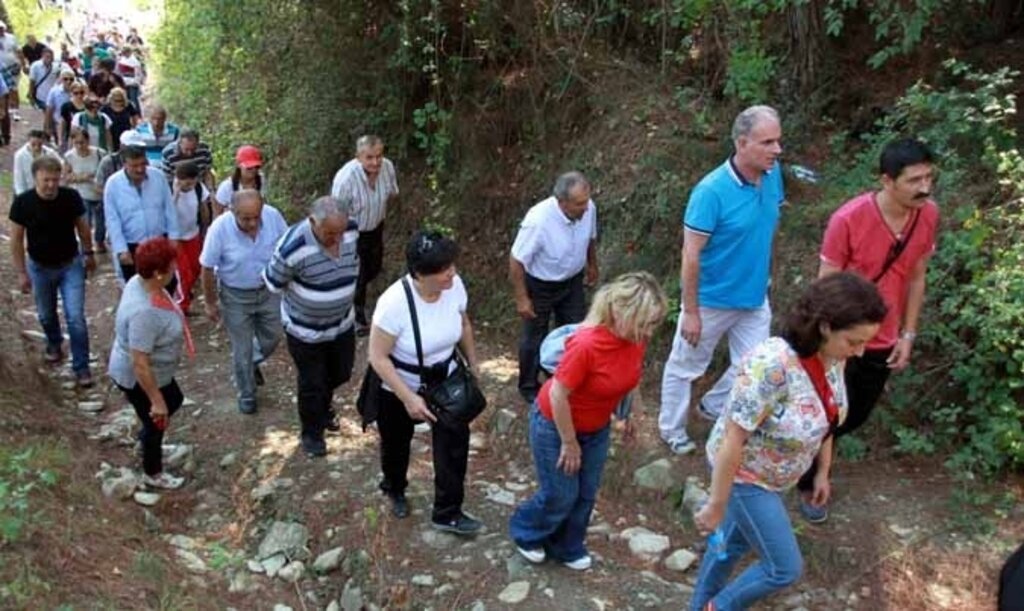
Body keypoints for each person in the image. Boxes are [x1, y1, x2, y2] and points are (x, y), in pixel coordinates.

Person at [690, 273, 887, 611]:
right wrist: (716, 503)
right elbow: (733, 439)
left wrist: (822, 472)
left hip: (776, 477)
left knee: (727, 549)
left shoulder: (834, 360)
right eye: (854, 341)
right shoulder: (772, 364)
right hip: (745, 477)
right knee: (784, 568)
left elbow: (827, 417)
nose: (860, 352)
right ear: (825, 326)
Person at [795, 138, 940, 522]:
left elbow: (917, 277)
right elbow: (825, 287)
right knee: (825, 410)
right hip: (841, 339)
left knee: (852, 415)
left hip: (885, 339)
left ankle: (805, 461)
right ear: (887, 180)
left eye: (929, 177)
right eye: (914, 180)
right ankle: (811, 482)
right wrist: (826, 343)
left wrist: (908, 334)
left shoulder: (927, 216)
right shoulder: (849, 218)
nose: (924, 187)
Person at [509, 272, 667, 570]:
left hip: (595, 427)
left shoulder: (635, 339)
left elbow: (632, 377)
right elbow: (558, 394)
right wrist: (569, 443)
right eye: (646, 322)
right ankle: (526, 530)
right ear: (622, 313)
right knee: (560, 493)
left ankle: (568, 544)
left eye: (654, 323)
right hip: (554, 424)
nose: (650, 331)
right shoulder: (586, 344)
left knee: (585, 492)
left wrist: (632, 412)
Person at [658, 105, 785, 456]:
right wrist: (691, 311)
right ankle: (672, 429)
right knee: (685, 367)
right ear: (742, 143)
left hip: (754, 297)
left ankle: (712, 407)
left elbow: (768, 226)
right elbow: (691, 255)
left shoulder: (774, 175)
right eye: (768, 142)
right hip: (711, 300)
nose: (777, 150)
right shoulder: (710, 192)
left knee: (755, 369)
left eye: (779, 141)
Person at [366, 230, 483, 533]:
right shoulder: (393, 303)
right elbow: (377, 357)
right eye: (443, 270)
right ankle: (394, 488)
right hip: (399, 383)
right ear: (419, 274)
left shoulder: (454, 287)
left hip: (445, 379)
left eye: (452, 266)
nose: (452, 274)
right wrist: (408, 397)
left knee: (454, 444)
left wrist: (472, 363)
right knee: (395, 443)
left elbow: (464, 323)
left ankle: (448, 511)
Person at [264, 195, 360, 456]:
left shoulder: (351, 229)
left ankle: (323, 405)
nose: (338, 239)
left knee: (342, 372)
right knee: (311, 383)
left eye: (341, 232)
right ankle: (312, 435)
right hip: (305, 331)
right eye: (330, 233)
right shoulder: (291, 248)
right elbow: (273, 282)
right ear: (312, 222)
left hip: (342, 324)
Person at [108, 237, 191, 490]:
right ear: (158, 273)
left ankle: (149, 440)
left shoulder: (139, 282)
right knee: (158, 418)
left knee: (173, 399)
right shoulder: (144, 313)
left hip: (157, 371)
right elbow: (140, 362)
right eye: (171, 265)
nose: (175, 268)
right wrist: (156, 400)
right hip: (139, 376)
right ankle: (152, 471)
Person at [509, 171, 599, 404]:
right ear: (562, 202)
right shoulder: (538, 220)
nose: (586, 208)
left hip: (572, 282)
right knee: (533, 336)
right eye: (579, 204)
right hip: (540, 285)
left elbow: (590, 238)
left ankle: (564, 378)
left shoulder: (589, 208)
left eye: (587, 201)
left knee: (575, 333)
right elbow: (517, 260)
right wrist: (521, 298)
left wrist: (592, 265)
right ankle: (529, 386)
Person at [8, 156, 97, 387]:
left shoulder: (70, 197)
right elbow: (16, 239)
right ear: (35, 177)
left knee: (75, 317)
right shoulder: (23, 203)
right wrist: (21, 272)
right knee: (46, 314)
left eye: (55, 180)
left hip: (70, 264)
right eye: (46, 180)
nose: (50, 185)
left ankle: (82, 366)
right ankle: (54, 342)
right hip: (39, 266)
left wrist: (89, 253)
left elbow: (83, 227)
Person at [200, 189, 287, 414]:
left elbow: (287, 249)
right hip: (235, 295)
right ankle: (247, 393)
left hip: (268, 291)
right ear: (232, 211)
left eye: (256, 217)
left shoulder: (274, 216)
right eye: (245, 218)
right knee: (242, 347)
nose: (252, 223)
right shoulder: (219, 229)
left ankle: (249, 364)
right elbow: (207, 267)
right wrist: (210, 302)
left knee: (274, 335)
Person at [329, 135, 399, 334]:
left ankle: (349, 296)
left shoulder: (387, 168)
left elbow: (392, 193)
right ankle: (357, 317)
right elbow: (336, 213)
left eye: (379, 156)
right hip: (351, 233)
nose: (375, 162)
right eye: (369, 157)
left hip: (376, 227)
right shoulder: (345, 179)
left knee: (374, 268)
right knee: (357, 274)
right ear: (358, 157)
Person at [104, 144, 178, 283]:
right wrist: (121, 249)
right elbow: (112, 219)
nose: (140, 169)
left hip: (158, 242)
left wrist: (174, 237)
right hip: (132, 245)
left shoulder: (158, 177)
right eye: (134, 165)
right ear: (124, 164)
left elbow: (169, 208)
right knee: (136, 288)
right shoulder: (113, 184)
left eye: (143, 164)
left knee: (166, 285)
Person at [170, 161, 211, 314]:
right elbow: (167, 210)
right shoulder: (169, 189)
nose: (189, 185)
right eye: (186, 182)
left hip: (193, 233)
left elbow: (203, 207)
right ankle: (182, 306)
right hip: (176, 237)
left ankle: (185, 293)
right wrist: (176, 194)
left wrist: (206, 228)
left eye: (192, 182)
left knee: (195, 268)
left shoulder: (199, 188)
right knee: (182, 272)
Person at [63, 127, 106, 253]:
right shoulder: (69, 156)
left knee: (100, 223)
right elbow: (66, 177)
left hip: (98, 193)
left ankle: (99, 241)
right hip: (81, 194)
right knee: (85, 222)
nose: (80, 146)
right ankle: (86, 246)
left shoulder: (100, 153)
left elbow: (105, 171)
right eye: (76, 143)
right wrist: (82, 177)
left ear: (88, 141)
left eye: (82, 142)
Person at [214, 145, 266, 216]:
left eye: (257, 167)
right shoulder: (227, 186)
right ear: (239, 165)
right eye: (249, 167)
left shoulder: (261, 180)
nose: (253, 170)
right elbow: (217, 213)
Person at [14, 129, 62, 196]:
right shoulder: (20, 155)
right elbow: (19, 178)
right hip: (27, 191)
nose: (36, 148)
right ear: (28, 141)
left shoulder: (49, 153)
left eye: (39, 145)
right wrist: (22, 196)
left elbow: (61, 164)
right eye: (33, 145)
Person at [28, 47, 69, 111]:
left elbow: (61, 76)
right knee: (48, 113)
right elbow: (32, 81)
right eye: (47, 57)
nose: (49, 59)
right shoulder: (35, 66)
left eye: (51, 57)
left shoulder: (56, 66)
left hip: (53, 96)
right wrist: (31, 95)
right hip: (41, 96)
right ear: (42, 56)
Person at [101, 86, 140, 151]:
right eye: (116, 100)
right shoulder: (106, 108)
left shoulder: (128, 105)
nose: (119, 103)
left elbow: (135, 117)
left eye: (121, 100)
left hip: (125, 134)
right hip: (112, 135)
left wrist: (134, 128)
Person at [0, 21, 23, 124]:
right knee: (3, 91)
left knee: (14, 89)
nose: (0, 30)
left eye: (1, 28)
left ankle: (16, 111)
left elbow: (19, 51)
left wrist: (22, 64)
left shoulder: (11, 38)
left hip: (12, 67)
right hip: (1, 69)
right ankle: (6, 109)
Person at [44, 69, 75, 143]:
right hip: (59, 123)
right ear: (61, 79)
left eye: (71, 79)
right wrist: (48, 126)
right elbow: (49, 109)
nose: (68, 81)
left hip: (73, 123)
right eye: (65, 79)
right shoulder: (54, 91)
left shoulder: (77, 91)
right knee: (61, 144)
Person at [57, 79, 88, 150]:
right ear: (71, 93)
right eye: (76, 93)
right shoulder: (66, 106)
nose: (79, 95)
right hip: (72, 137)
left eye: (81, 92)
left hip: (86, 137)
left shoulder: (88, 105)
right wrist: (60, 139)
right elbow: (62, 123)